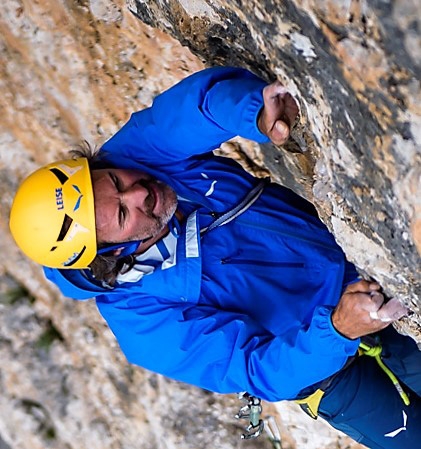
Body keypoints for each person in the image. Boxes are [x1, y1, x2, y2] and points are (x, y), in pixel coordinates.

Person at [9, 67, 421, 448]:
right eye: (121, 214)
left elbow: (193, 111)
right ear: (111, 254)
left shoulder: (135, 155)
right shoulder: (144, 324)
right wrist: (338, 330)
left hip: (358, 277)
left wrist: (253, 111)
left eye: (115, 182)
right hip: (322, 370)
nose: (138, 193)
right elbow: (254, 367)